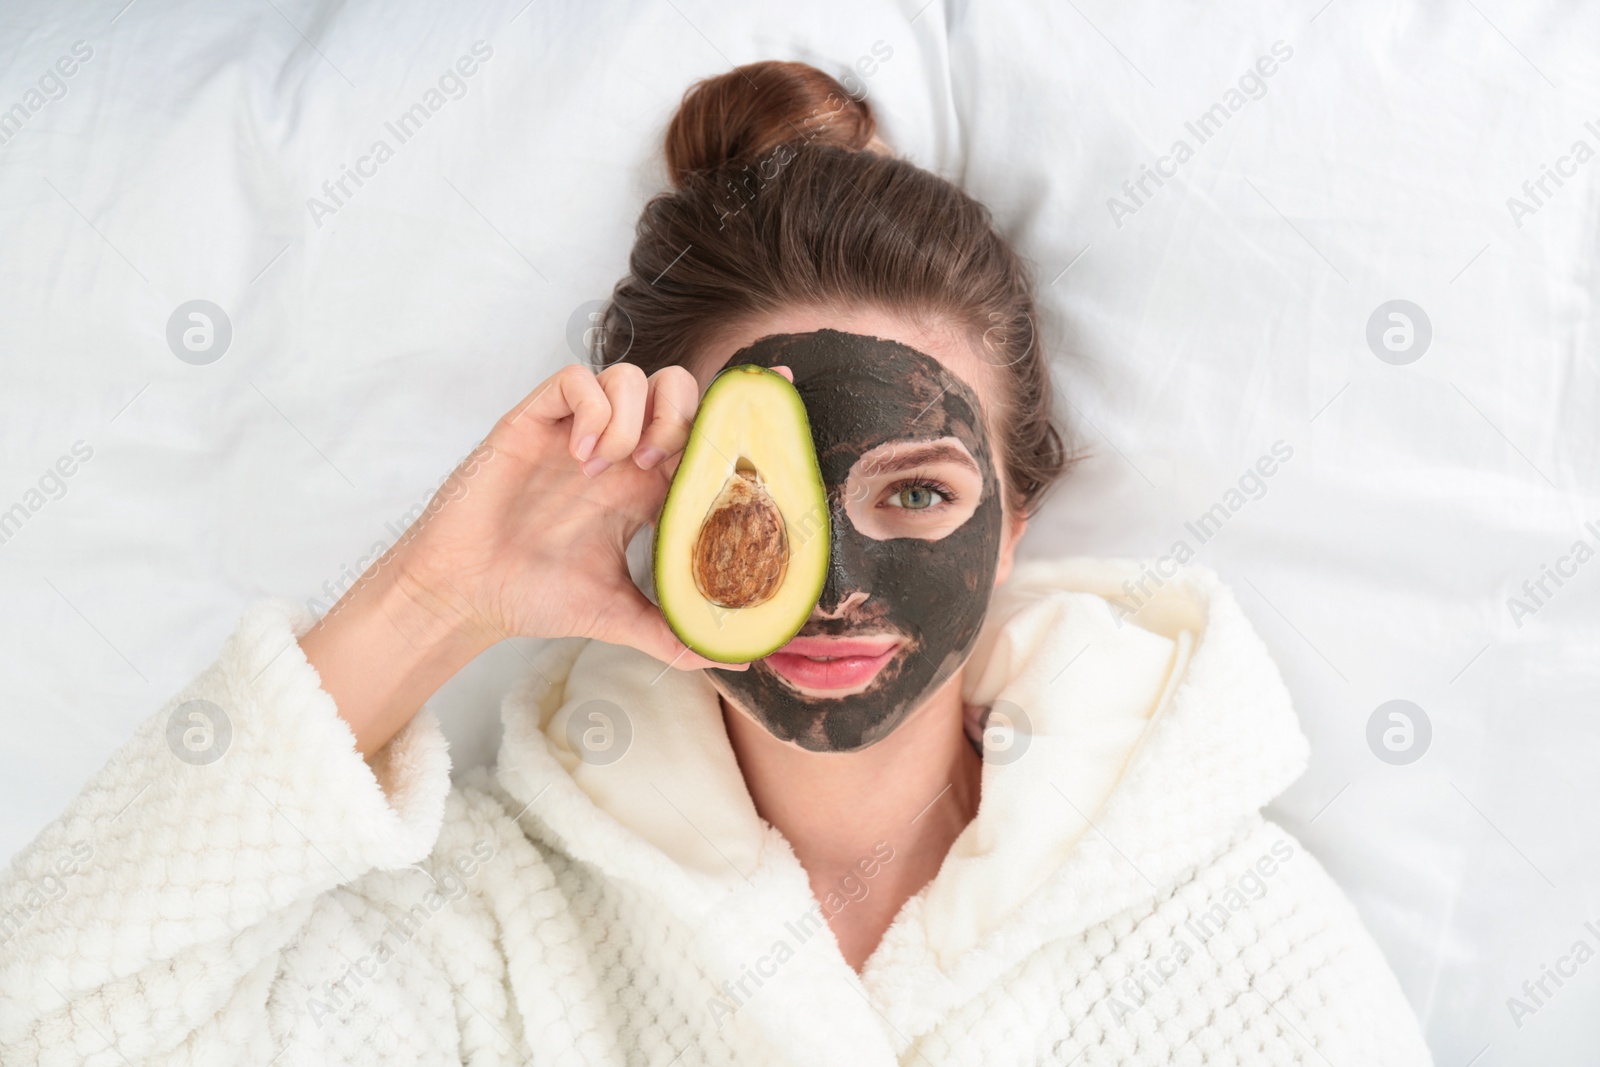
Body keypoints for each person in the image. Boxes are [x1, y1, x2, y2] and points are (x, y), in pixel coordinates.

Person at [0, 61, 1433, 1066]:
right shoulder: (499, 934)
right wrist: (429, 603)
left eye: (921, 491)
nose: (833, 586)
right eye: (754, 509)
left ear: (1020, 515)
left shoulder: (1227, 929)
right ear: (649, 508)